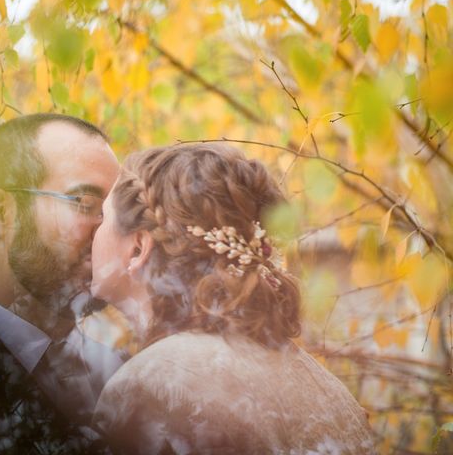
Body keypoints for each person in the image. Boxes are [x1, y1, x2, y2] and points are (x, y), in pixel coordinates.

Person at [90, 143, 377, 454]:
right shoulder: (324, 385)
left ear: (137, 249)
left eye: (102, 217)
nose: (92, 231)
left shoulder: (152, 387)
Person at [0, 113, 126, 425]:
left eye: (113, 214)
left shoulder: (127, 375)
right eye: (85, 204)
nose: (110, 233)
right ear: (1, 215)